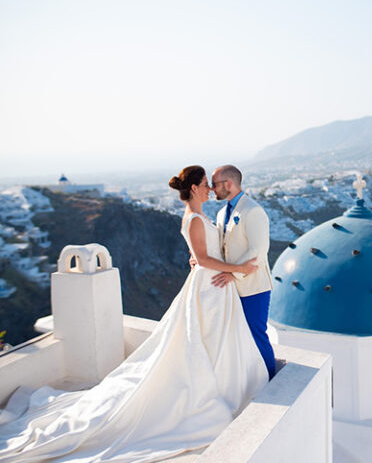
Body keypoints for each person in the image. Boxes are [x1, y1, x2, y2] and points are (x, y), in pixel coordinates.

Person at [0, 165, 269, 462]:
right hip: (210, 286)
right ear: (194, 188)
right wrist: (237, 269)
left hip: (215, 286)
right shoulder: (194, 218)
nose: (209, 189)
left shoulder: (204, 216)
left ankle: (224, 385)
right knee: (205, 339)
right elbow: (204, 259)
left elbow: (204, 254)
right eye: (206, 183)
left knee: (215, 340)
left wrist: (208, 263)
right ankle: (210, 392)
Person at [209, 165, 276, 380]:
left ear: (228, 184)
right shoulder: (221, 213)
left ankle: (270, 379)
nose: (212, 189)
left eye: (215, 184)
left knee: (256, 335)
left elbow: (258, 251)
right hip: (229, 289)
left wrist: (234, 274)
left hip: (253, 287)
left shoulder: (253, 211)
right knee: (236, 338)